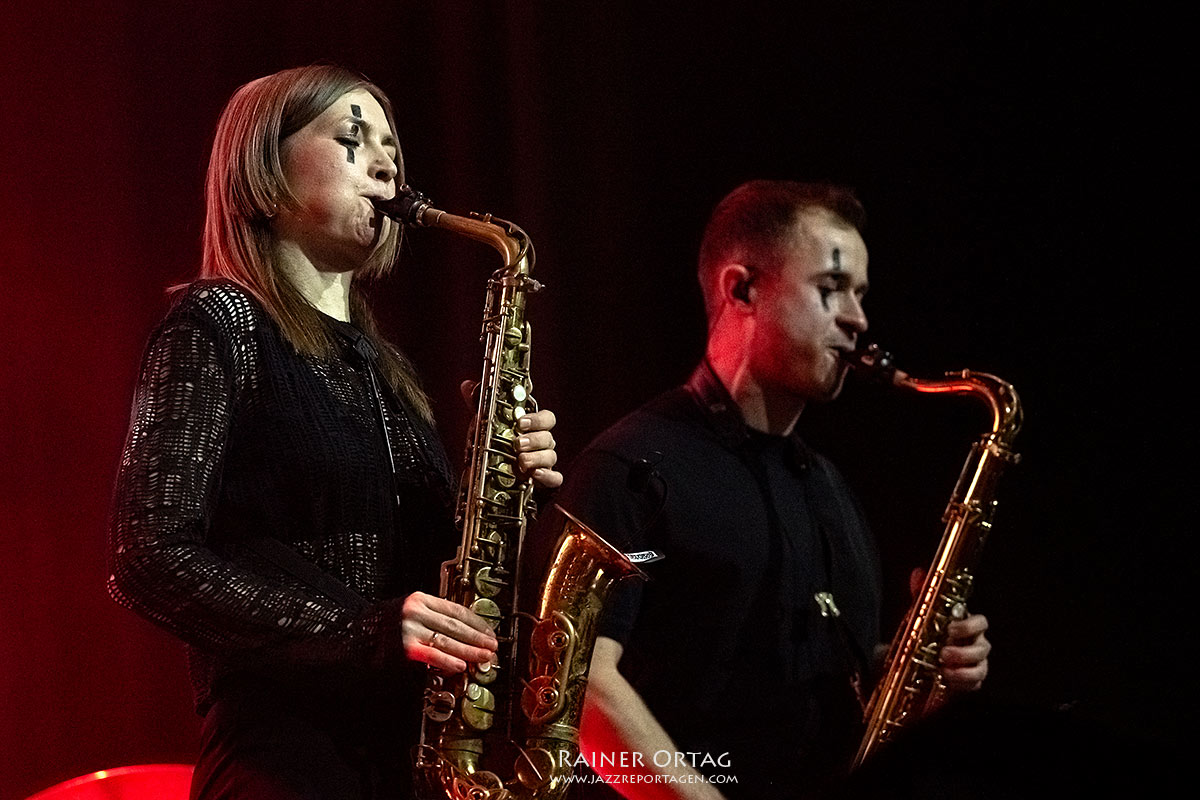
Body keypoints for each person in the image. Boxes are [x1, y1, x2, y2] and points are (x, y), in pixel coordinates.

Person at [106, 64, 562, 800]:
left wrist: (506, 495)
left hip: (404, 759)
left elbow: (425, 576)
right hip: (285, 761)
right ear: (264, 171)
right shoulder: (219, 322)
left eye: (393, 146)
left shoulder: (385, 368)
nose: (387, 163)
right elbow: (147, 557)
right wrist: (367, 631)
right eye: (354, 139)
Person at [549, 180, 992, 798]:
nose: (859, 320)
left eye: (861, 295)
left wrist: (919, 679)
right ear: (743, 289)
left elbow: (841, 704)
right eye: (832, 288)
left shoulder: (832, 490)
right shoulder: (633, 464)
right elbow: (581, 688)